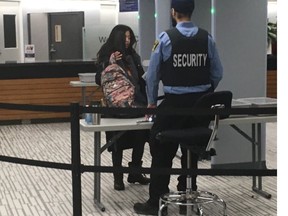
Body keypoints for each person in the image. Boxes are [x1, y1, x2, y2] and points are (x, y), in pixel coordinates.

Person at [133, 0, 223, 215]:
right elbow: (217, 73)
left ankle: (156, 202)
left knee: (161, 148)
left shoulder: (165, 38)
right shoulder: (207, 38)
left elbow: (153, 76)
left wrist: (152, 102)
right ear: (192, 11)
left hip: (174, 105)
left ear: (173, 12)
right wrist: (205, 91)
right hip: (201, 105)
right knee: (191, 146)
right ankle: (187, 189)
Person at [96, 24, 150, 191]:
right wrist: (110, 61)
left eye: (130, 37)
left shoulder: (133, 56)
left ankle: (135, 171)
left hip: (136, 105)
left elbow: (139, 79)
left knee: (140, 138)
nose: (128, 41)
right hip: (116, 108)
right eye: (125, 37)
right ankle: (117, 177)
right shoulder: (106, 55)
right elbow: (100, 79)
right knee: (117, 141)